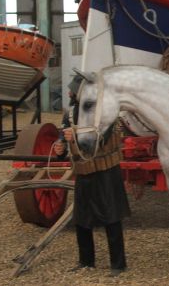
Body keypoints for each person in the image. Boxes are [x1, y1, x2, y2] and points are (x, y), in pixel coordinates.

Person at [53, 75, 130, 277]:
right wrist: (61, 146)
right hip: (83, 170)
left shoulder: (104, 113)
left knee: (111, 216)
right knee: (82, 218)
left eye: (73, 91)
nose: (69, 93)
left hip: (105, 170)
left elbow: (99, 140)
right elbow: (63, 136)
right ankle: (86, 261)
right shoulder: (69, 112)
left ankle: (118, 264)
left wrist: (75, 135)